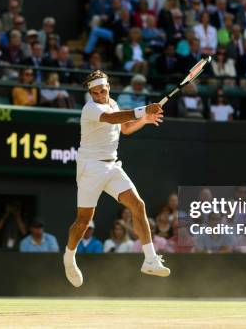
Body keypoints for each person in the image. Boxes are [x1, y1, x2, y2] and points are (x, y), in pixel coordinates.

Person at [63, 70, 169, 288]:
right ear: (91, 92)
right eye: (95, 92)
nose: (100, 95)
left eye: (103, 90)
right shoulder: (90, 108)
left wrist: (146, 119)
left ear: (108, 87)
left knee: (138, 206)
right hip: (90, 168)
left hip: (112, 165)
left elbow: (126, 127)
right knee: (83, 222)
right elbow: (112, 119)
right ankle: (69, 258)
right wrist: (142, 110)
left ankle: (150, 259)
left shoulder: (113, 102)